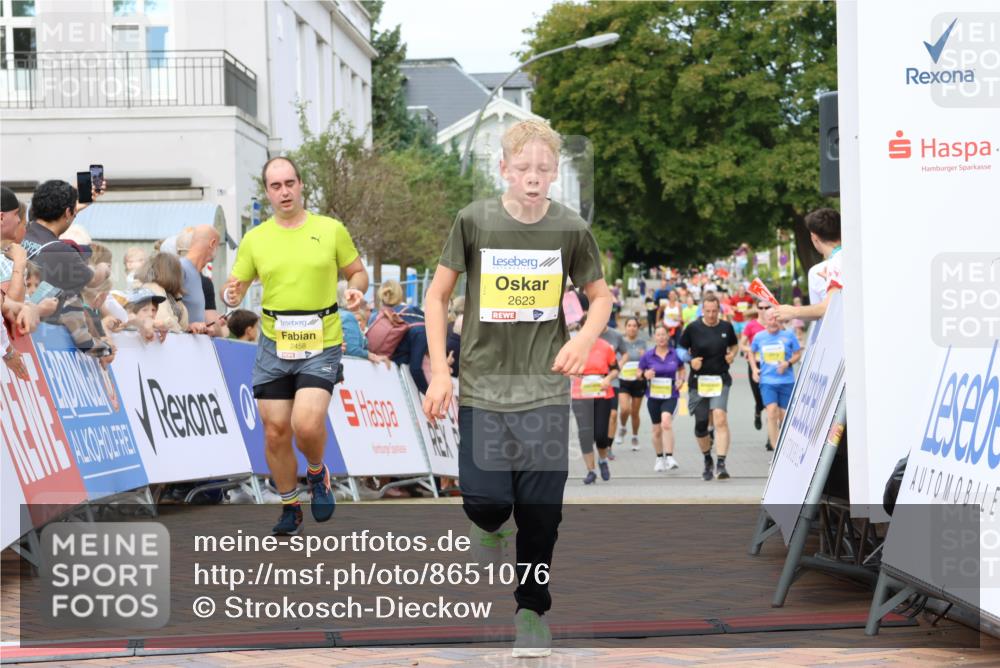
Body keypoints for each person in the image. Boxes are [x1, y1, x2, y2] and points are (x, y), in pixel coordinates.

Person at [422, 119, 611, 658]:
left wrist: (582, 340)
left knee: (542, 515)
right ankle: (487, 526)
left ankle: (531, 611)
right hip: (483, 388)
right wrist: (440, 371)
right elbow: (436, 298)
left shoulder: (569, 229)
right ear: (503, 169)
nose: (533, 177)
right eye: (522, 168)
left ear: (556, 173)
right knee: (486, 501)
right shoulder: (473, 222)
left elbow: (600, 297)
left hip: (546, 392)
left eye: (543, 169)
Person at [222, 156, 368, 536]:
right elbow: (234, 286)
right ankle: (290, 505)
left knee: (305, 423)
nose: (284, 192)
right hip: (274, 340)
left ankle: (317, 473)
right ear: (268, 193)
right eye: (276, 186)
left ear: (301, 185)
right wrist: (231, 291)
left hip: (321, 338)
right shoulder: (256, 238)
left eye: (290, 183)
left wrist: (356, 288)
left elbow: (357, 270)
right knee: (274, 431)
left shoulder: (330, 229)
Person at [679, 293, 738, 481]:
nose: (711, 315)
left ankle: (721, 463)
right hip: (699, 382)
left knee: (720, 418)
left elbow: (734, 345)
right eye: (708, 311)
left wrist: (732, 355)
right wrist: (690, 360)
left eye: (714, 311)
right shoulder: (693, 328)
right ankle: (707, 459)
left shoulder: (726, 327)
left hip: (720, 379)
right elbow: (680, 349)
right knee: (701, 425)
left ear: (719, 310)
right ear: (702, 310)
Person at [571, 318, 618, 484]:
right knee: (584, 434)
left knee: (600, 434)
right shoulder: (574, 346)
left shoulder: (605, 347)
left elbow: (615, 369)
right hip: (580, 395)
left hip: (601, 394)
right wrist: (571, 373)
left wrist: (609, 378)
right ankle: (590, 471)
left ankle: (603, 460)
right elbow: (564, 367)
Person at [750, 309, 802, 452]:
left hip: (786, 381)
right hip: (767, 382)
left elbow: (798, 354)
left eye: (775, 318)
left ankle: (786, 447)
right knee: (772, 412)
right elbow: (751, 352)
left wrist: (788, 363)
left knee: (784, 416)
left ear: (779, 320)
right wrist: (755, 369)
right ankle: (776, 449)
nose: (772, 322)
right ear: (765, 320)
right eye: (770, 319)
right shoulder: (759, 337)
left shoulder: (789, 335)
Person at [779, 208, 842, 323]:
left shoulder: (835, 263)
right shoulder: (851, 256)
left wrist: (792, 311)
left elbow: (828, 308)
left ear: (814, 237)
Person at [368, 280, 429, 393]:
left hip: (376, 376)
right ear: (401, 295)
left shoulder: (376, 317)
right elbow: (415, 368)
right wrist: (428, 392)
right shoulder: (418, 321)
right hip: (400, 384)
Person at [638, 324, 684, 471]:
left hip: (670, 395)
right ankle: (659, 458)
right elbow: (638, 373)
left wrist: (681, 380)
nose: (661, 337)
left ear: (668, 336)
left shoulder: (675, 354)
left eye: (664, 334)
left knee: (666, 422)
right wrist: (645, 374)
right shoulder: (648, 355)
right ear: (654, 338)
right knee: (656, 430)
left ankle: (670, 457)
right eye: (658, 335)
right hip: (653, 396)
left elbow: (682, 368)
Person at [176, 225, 219, 335]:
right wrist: (188, 327)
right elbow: (164, 310)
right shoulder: (180, 268)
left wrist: (204, 328)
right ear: (212, 243)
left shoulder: (196, 274)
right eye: (218, 246)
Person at [740, 300, 770, 447]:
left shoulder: (774, 324)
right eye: (761, 308)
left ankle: (771, 439)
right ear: (757, 309)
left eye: (767, 307)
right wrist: (751, 350)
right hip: (755, 364)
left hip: (771, 366)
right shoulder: (751, 325)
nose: (764, 310)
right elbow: (741, 344)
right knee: (760, 400)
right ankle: (757, 412)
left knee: (770, 402)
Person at [615, 317, 647, 451]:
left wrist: (644, 356)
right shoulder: (620, 342)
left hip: (638, 381)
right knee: (625, 409)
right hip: (623, 380)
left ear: (638, 328)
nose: (632, 328)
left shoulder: (642, 343)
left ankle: (634, 436)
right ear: (625, 327)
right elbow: (615, 362)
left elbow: (647, 362)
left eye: (635, 326)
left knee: (635, 412)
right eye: (629, 325)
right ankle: (622, 427)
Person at [136, 252, 189, 333]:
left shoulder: (173, 295)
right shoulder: (153, 289)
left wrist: (190, 329)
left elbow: (182, 326)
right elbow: (163, 321)